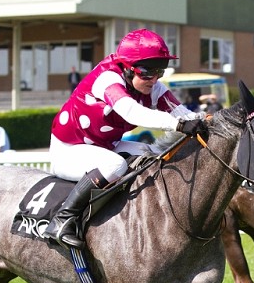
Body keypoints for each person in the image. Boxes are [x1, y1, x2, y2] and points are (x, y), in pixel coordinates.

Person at [44, 28, 206, 248]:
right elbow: (132, 112)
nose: (154, 79)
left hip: (104, 146)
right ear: (128, 68)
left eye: (160, 72)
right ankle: (62, 220)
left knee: (156, 156)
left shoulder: (152, 86)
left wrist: (208, 122)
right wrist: (177, 125)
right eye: (147, 73)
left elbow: (183, 113)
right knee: (115, 166)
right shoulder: (107, 79)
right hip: (69, 151)